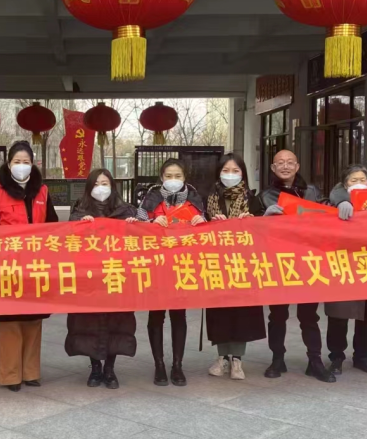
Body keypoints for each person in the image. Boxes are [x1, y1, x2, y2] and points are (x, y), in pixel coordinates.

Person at [0, 141, 58, 391]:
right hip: (6, 268)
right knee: (10, 321)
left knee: (34, 320)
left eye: (26, 162)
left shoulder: (42, 191)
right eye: (17, 162)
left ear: (33, 164)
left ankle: (31, 372)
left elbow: (54, 225)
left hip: (35, 266)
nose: (21, 166)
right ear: (8, 163)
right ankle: (11, 375)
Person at [260, 149, 333, 383]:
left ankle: (315, 360)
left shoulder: (312, 192)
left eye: (290, 162)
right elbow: (252, 230)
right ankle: (277, 359)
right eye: (280, 163)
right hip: (279, 262)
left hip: (308, 261)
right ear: (273, 168)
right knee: (277, 315)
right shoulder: (265, 196)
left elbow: (328, 214)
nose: (285, 166)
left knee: (309, 315)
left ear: (297, 166)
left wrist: (342, 205)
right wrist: (264, 218)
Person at [65, 169, 140, 389]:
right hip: (90, 278)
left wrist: (135, 226)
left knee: (117, 322)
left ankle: (110, 368)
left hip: (117, 276)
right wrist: (80, 227)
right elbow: (68, 241)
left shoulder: (126, 210)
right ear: (89, 187)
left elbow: (140, 241)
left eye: (105, 183)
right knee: (89, 322)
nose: (101, 188)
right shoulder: (79, 211)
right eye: (96, 184)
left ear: (112, 186)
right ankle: (95, 367)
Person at [138, 159, 206, 386]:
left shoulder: (194, 200)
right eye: (169, 176)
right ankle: (159, 365)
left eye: (178, 176)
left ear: (184, 178)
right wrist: (150, 222)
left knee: (179, 316)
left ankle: (177, 365)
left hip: (182, 266)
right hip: (156, 266)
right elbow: (136, 228)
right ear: (161, 177)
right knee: (156, 316)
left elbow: (207, 233)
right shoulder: (150, 198)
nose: (173, 180)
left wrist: (201, 222)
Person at [204, 153, 265, 381]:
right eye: (226, 171)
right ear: (218, 173)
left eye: (235, 171)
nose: (230, 175)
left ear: (243, 174)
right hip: (216, 264)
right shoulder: (209, 198)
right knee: (219, 310)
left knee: (242, 311)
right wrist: (209, 224)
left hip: (244, 265)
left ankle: (237, 358)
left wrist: (253, 222)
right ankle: (222, 357)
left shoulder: (253, 200)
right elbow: (197, 226)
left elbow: (265, 231)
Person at [326, 165, 367, 376]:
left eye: (362, 179)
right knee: (339, 313)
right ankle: (336, 357)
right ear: (344, 183)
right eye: (353, 180)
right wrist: (340, 203)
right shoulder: (335, 200)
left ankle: (362, 356)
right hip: (343, 262)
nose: (358, 183)